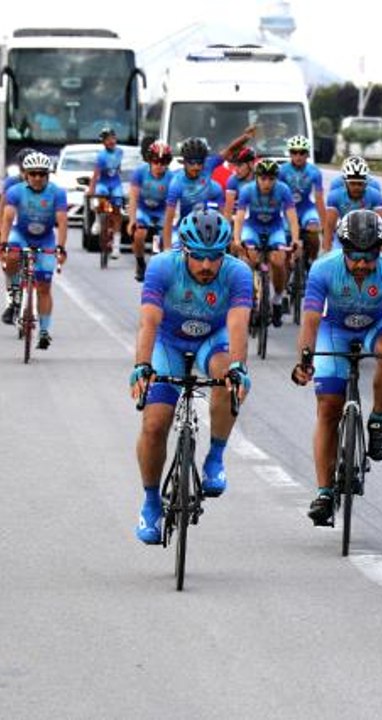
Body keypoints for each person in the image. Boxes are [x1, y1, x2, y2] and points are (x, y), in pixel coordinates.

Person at [129, 209, 252, 543]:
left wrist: (239, 367)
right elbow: (149, 322)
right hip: (169, 341)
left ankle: (215, 457)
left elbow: (238, 324)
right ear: (184, 251)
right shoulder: (162, 267)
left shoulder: (238, 273)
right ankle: (151, 503)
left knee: (226, 375)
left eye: (214, 258)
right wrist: (142, 365)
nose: (206, 266)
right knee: (154, 425)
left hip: (213, 339)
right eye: (198, 258)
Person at [291, 210, 382, 526]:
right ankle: (323, 492)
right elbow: (310, 321)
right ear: (343, 250)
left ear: (380, 251)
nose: (361, 265)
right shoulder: (323, 269)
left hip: (376, 325)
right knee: (329, 407)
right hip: (336, 330)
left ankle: (377, 419)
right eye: (354, 257)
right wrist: (304, 360)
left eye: (368, 257)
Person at [0, 152, 68, 350]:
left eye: (42, 174)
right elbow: (7, 218)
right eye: (33, 174)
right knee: (12, 255)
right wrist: (3, 243)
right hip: (20, 235)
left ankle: (44, 331)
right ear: (26, 175)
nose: (37, 178)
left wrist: (61, 247)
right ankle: (13, 298)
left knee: (44, 286)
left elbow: (62, 222)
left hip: (45, 239)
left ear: (48, 175)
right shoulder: (15, 191)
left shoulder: (57, 193)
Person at [232, 157, 300, 327]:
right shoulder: (247, 190)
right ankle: (251, 296)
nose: (267, 183)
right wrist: (237, 240)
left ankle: (277, 300)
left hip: (275, 229)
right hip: (252, 228)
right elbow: (240, 218)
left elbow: (292, 218)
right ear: (256, 177)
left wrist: (296, 240)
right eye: (263, 178)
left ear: (276, 179)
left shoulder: (283, 190)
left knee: (278, 260)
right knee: (249, 258)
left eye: (271, 179)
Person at [162, 137, 227, 252]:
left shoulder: (208, 168)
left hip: (206, 225)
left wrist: (245, 137)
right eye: (191, 163)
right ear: (184, 162)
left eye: (199, 162)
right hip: (183, 227)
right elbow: (168, 219)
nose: (196, 167)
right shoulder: (176, 183)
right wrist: (167, 249)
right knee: (176, 255)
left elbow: (229, 151)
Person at [0, 147, 35, 322]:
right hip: (14, 227)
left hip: (34, 229)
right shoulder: (11, 183)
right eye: (23, 169)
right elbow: (2, 209)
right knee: (9, 262)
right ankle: (11, 301)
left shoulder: (41, 183)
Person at [127, 140, 174, 283]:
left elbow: (173, 204)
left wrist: (171, 222)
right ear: (149, 161)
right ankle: (140, 263)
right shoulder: (140, 172)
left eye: (163, 162)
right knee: (139, 233)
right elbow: (133, 197)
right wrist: (132, 220)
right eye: (155, 161)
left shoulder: (171, 178)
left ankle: (159, 265)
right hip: (143, 209)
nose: (159, 166)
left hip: (161, 211)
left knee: (161, 239)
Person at [278, 135, 326, 263]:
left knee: (313, 230)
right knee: (285, 240)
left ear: (307, 154)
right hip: (287, 210)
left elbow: (319, 199)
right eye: (294, 152)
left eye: (302, 152)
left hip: (306, 208)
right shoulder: (282, 171)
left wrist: (324, 225)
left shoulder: (314, 172)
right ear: (290, 154)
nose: (298, 156)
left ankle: (312, 260)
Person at [323, 155, 382, 252]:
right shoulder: (335, 195)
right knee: (337, 255)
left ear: (366, 183)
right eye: (352, 183)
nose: (356, 187)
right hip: (344, 233)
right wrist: (326, 251)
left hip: (367, 235)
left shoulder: (375, 195)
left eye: (360, 184)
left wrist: (380, 249)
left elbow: (381, 225)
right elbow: (329, 226)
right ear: (345, 183)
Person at [86, 127, 125, 259]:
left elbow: (119, 169)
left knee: (116, 211)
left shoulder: (120, 152)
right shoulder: (101, 156)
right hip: (103, 183)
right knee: (100, 195)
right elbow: (96, 173)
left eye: (112, 138)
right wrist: (91, 189)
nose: (110, 141)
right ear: (103, 142)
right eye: (107, 139)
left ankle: (116, 246)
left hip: (115, 183)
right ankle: (98, 220)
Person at [222, 146, 256, 220]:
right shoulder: (233, 180)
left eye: (240, 165)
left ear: (250, 164)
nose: (236, 169)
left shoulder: (262, 177)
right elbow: (228, 212)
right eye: (235, 165)